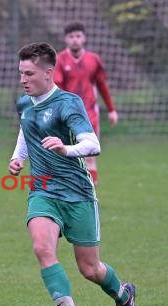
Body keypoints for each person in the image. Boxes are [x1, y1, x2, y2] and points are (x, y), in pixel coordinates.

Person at [8, 42, 136, 306]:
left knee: (90, 269)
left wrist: (66, 149)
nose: (23, 79)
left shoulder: (69, 103)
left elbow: (93, 144)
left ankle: (123, 296)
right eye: (20, 73)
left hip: (78, 193)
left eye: (28, 73)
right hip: (43, 191)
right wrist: (18, 157)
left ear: (48, 73)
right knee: (42, 249)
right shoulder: (24, 103)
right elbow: (25, 130)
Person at [54, 22, 118, 186]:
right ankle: (70, 189)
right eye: (71, 36)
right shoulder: (60, 60)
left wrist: (111, 110)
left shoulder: (93, 60)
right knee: (67, 154)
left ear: (84, 38)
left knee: (89, 154)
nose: (75, 40)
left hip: (89, 113)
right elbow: (57, 87)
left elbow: (102, 85)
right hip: (67, 114)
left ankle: (91, 192)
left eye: (78, 36)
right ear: (66, 39)